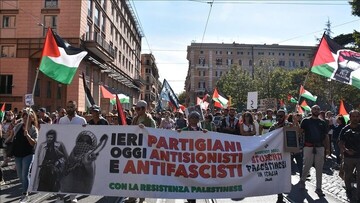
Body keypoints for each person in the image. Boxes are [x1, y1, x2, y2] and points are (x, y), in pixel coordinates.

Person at [57, 101, 87, 203]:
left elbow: (85, 134)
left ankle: (73, 196)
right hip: (63, 150)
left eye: (71, 107)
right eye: (68, 107)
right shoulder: (62, 120)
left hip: (76, 151)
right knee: (62, 173)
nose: (69, 109)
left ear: (75, 108)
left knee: (74, 174)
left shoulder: (81, 120)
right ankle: (60, 195)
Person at [7, 107, 39, 203]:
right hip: (18, 153)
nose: (25, 119)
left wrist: (28, 135)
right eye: (24, 117)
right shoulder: (19, 126)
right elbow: (12, 135)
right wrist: (8, 139)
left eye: (27, 117)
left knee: (25, 174)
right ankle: (27, 187)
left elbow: (34, 143)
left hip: (28, 154)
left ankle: (25, 194)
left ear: (32, 118)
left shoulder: (34, 129)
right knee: (20, 175)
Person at [126, 100, 156, 203]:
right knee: (133, 174)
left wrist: (145, 129)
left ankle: (142, 198)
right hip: (135, 150)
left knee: (142, 175)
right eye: (136, 109)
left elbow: (154, 134)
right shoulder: (135, 119)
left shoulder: (150, 120)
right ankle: (132, 196)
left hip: (145, 151)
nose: (136, 110)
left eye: (138, 109)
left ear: (144, 109)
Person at [298, 105, 330, 197]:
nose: (316, 110)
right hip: (308, 146)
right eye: (314, 109)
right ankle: (302, 180)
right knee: (306, 165)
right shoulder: (306, 121)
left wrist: (327, 149)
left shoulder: (323, 122)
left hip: (320, 147)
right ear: (311, 110)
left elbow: (326, 136)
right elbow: (300, 132)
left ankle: (318, 188)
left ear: (320, 111)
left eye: (318, 109)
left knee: (319, 168)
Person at [269, 110, 299, 203]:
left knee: (286, 173)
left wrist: (295, 123)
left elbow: (297, 133)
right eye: (278, 116)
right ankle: (280, 195)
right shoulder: (273, 126)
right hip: (277, 153)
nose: (279, 117)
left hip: (287, 153)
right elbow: (268, 137)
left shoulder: (289, 125)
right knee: (278, 174)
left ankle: (285, 189)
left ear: (284, 116)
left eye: (281, 116)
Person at [178, 111, 207, 203]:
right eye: (192, 118)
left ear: (199, 120)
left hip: (198, 159)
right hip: (187, 159)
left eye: (196, 118)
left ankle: (193, 197)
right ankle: (190, 198)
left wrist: (206, 134)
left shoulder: (202, 131)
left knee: (196, 178)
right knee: (187, 178)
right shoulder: (184, 130)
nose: (194, 120)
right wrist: (177, 133)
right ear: (189, 119)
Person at [338, 110, 360, 201]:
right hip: (348, 157)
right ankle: (349, 190)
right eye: (353, 116)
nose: (355, 118)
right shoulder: (345, 129)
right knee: (348, 176)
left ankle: (358, 195)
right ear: (350, 117)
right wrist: (345, 150)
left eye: (357, 116)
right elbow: (340, 142)